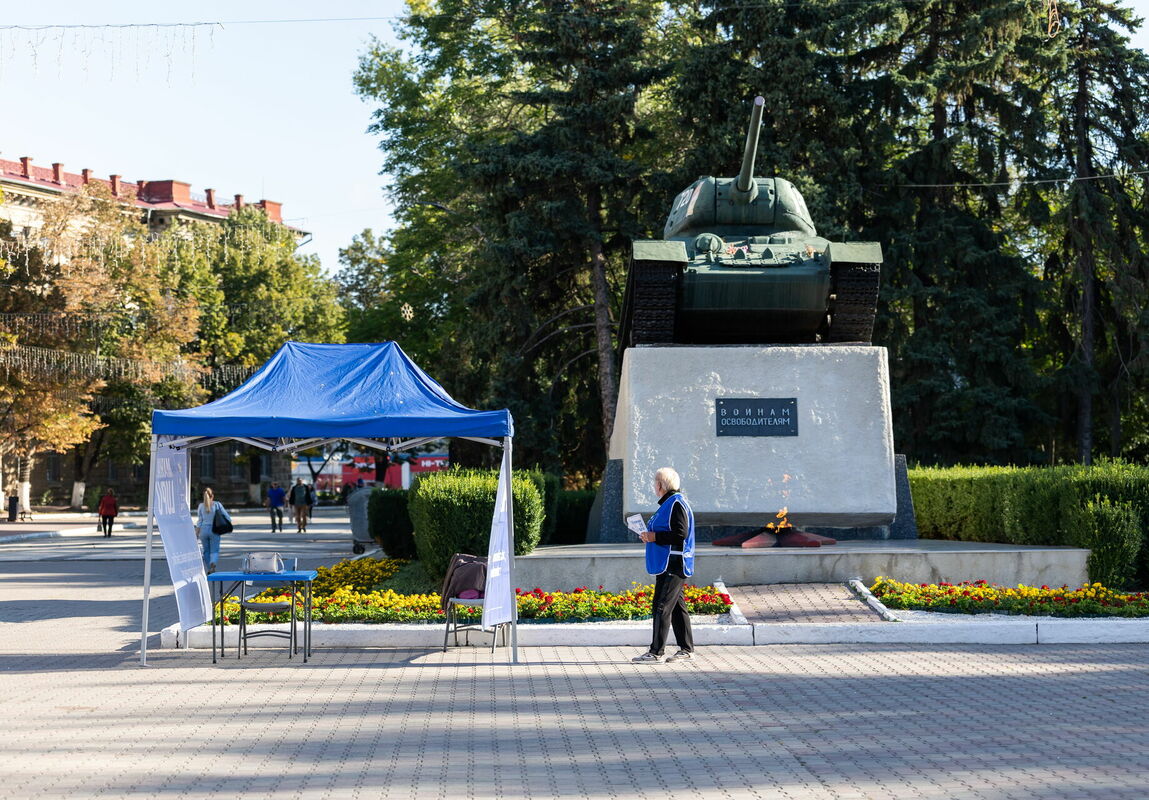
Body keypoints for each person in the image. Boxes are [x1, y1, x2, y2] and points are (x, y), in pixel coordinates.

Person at [633, 467, 695, 664]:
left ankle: (656, 652)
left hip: (673, 563)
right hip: (667, 562)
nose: (654, 486)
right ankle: (686, 649)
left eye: (655, 482)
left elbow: (680, 534)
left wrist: (654, 537)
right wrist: (649, 536)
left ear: (660, 485)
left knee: (661, 606)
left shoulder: (675, 503)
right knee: (676, 606)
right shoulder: (670, 503)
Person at [196, 487, 230, 574]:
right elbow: (227, 517)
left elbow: (199, 521)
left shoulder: (201, 506)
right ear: (212, 496)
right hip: (214, 530)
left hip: (203, 531)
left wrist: (197, 532)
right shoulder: (217, 505)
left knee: (206, 551)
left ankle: (210, 569)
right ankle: (213, 563)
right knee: (214, 550)